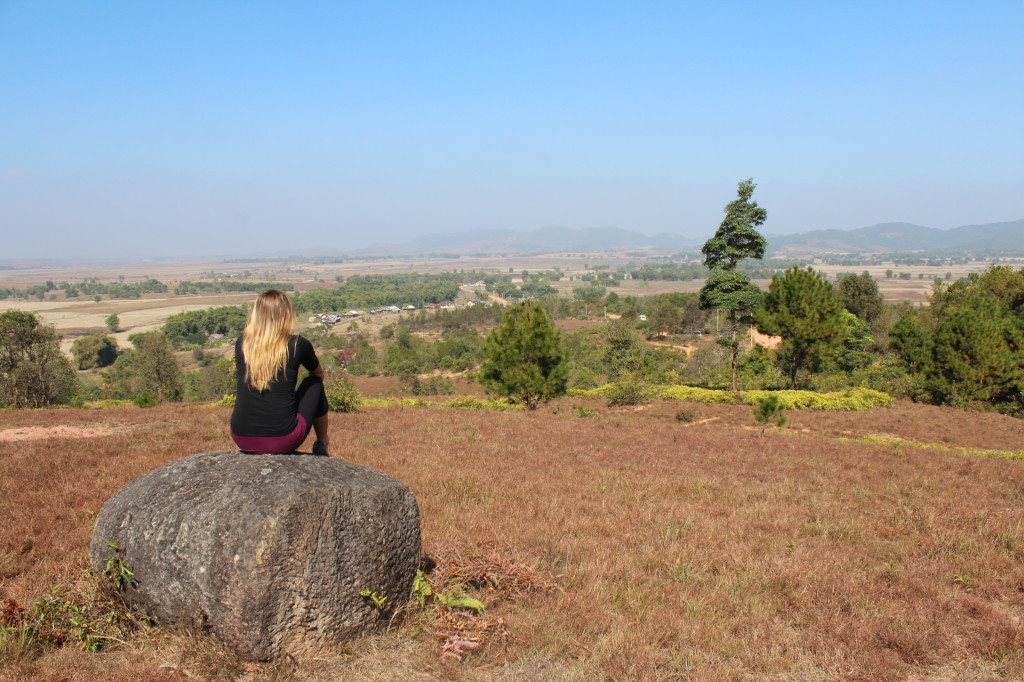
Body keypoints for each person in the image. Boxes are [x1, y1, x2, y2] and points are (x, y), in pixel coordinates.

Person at [230, 289, 330, 455]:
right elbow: (318, 374)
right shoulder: (298, 344)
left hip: (241, 436)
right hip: (283, 438)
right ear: (286, 313)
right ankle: (322, 440)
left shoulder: (243, 343)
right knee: (313, 383)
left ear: (256, 313)